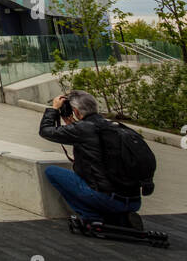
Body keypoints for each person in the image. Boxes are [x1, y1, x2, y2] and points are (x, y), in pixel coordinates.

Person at [39, 90, 143, 229]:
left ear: (75, 111)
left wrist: (54, 109)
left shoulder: (82, 129)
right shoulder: (112, 127)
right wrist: (72, 124)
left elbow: (46, 131)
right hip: (134, 200)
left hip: (105, 198)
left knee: (52, 172)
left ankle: (92, 217)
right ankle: (119, 217)